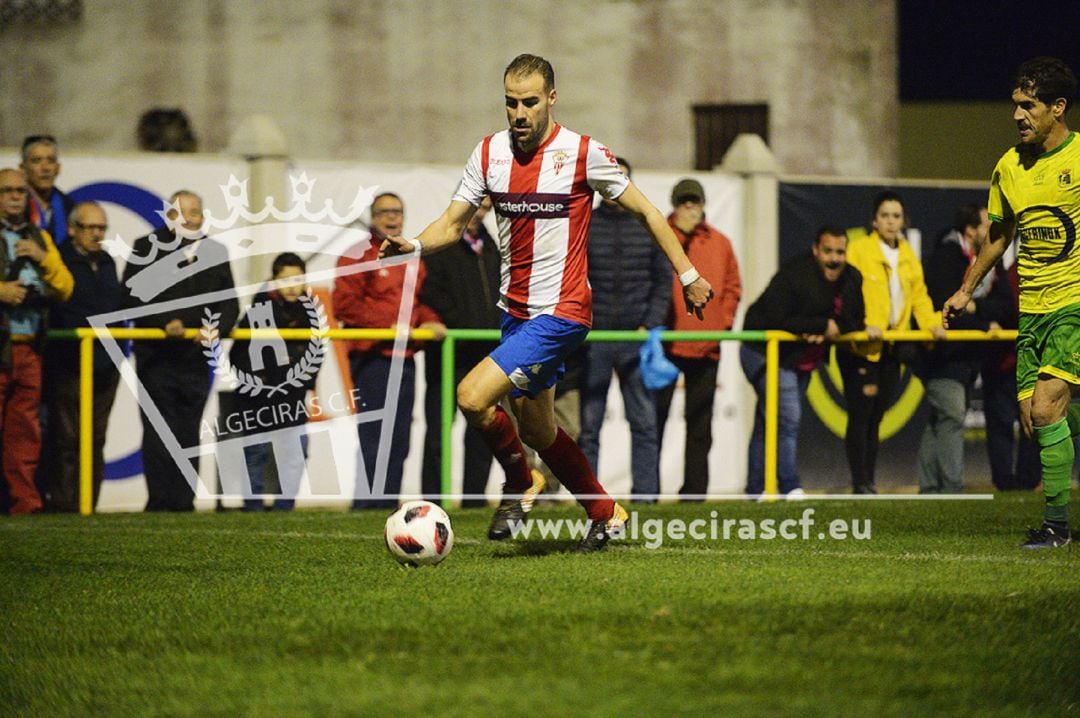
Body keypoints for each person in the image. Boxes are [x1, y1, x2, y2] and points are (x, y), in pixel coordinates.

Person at [379, 54, 714, 552]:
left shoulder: (581, 153)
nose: (519, 113)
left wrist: (687, 274)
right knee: (538, 430)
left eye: (530, 102)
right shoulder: (489, 153)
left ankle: (519, 483)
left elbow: (645, 210)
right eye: (511, 103)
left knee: (472, 397)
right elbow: (452, 223)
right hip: (514, 315)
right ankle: (605, 511)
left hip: (563, 312)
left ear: (551, 99)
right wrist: (416, 245)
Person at [943, 57, 1080, 548]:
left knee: (1044, 412)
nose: (1018, 115)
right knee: (1034, 419)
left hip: (1073, 305)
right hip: (1033, 310)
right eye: (1015, 106)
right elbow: (999, 238)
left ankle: (1058, 528)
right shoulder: (1009, 166)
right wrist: (966, 289)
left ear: (1057, 108)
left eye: (1029, 106)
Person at [122, 190, 238, 512]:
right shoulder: (146, 247)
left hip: (196, 361)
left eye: (195, 212)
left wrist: (215, 329)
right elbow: (131, 295)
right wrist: (163, 322)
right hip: (156, 359)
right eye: (181, 212)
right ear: (168, 215)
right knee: (159, 431)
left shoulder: (216, 251)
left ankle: (184, 502)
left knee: (189, 430)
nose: (188, 218)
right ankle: (160, 502)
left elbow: (230, 305)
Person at [332, 191, 446, 509]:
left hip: (405, 358)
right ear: (372, 216)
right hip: (372, 359)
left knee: (400, 438)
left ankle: (386, 503)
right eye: (385, 212)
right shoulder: (356, 254)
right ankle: (369, 504)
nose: (392, 217)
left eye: (397, 211)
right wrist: (392, 325)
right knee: (376, 435)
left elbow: (417, 304)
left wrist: (431, 321)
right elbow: (345, 305)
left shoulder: (410, 256)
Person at [740, 226, 865, 498]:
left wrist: (830, 327)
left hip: (801, 358)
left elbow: (857, 319)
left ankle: (755, 489)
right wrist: (819, 325)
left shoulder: (852, 278)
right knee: (787, 419)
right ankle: (789, 486)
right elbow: (775, 318)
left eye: (840, 252)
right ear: (815, 251)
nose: (834, 259)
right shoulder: (794, 276)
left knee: (768, 420)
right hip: (764, 352)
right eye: (828, 251)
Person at [840, 190, 945, 494]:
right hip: (862, 346)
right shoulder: (858, 250)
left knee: (876, 415)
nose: (890, 221)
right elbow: (846, 296)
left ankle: (868, 481)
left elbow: (920, 298)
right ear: (874, 220)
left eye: (896, 216)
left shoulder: (908, 253)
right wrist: (861, 325)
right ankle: (861, 483)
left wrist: (931, 324)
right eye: (885, 215)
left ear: (903, 220)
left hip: (892, 344)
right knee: (860, 415)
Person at [578, 156, 670, 502]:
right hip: (594, 338)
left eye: (623, 179)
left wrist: (650, 322)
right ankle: (588, 498)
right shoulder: (584, 222)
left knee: (645, 423)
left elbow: (664, 281)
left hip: (636, 338)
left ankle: (646, 496)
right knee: (590, 427)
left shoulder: (647, 221)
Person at [918, 205, 1015, 494]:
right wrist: (986, 324)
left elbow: (1007, 306)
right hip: (941, 354)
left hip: (968, 355)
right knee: (952, 414)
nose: (992, 230)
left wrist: (974, 305)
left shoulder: (990, 259)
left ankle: (929, 487)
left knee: (941, 419)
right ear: (971, 230)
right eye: (987, 224)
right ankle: (952, 488)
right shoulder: (946, 256)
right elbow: (945, 306)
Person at [655, 178, 741, 501]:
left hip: (706, 346)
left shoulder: (720, 242)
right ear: (674, 206)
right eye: (684, 202)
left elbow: (733, 286)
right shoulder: (659, 236)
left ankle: (694, 494)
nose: (691, 208)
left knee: (701, 425)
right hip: (665, 345)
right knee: (653, 423)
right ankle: (647, 493)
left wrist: (724, 321)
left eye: (696, 202)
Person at [418, 196, 501, 507]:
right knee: (440, 428)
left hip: (486, 353)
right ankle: (433, 500)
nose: (481, 208)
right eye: (476, 200)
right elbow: (429, 292)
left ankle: (474, 498)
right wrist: (463, 323)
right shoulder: (440, 243)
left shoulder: (492, 246)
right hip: (448, 352)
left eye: (487, 202)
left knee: (483, 427)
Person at [0, 168, 73, 514]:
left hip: (30, 346)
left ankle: (24, 502)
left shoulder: (40, 238)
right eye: (7, 190)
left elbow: (65, 288)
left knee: (25, 430)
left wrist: (43, 259)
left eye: (20, 191)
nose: (15, 196)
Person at [41, 202, 123, 512]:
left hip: (105, 366)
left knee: (96, 439)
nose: (97, 234)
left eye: (102, 228)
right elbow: (65, 311)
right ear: (73, 229)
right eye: (90, 227)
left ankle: (88, 506)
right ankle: (64, 505)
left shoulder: (107, 263)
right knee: (67, 439)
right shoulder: (59, 262)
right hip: (70, 365)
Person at [228, 253, 321, 511]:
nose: (292, 286)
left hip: (293, 397)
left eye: (298, 279)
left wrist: (303, 382)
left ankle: (284, 506)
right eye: (286, 279)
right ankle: (252, 506)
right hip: (256, 397)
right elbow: (237, 355)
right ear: (273, 281)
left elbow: (317, 352)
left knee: (296, 452)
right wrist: (260, 382)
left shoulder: (310, 313)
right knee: (255, 452)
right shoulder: (256, 312)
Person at [20, 135, 75, 247]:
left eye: (50, 161)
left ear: (58, 168)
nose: (45, 168)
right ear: (23, 168)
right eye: (37, 161)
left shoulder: (70, 208)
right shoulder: (14, 208)